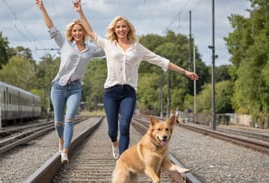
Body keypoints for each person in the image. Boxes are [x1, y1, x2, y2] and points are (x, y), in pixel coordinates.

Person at [73, 1, 199, 159]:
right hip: (111, 92)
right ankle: (114, 143)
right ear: (114, 29)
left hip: (128, 93)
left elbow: (161, 61)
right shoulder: (108, 45)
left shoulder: (137, 48)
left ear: (128, 29)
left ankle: (122, 159)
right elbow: (90, 32)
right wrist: (80, 11)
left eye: (123, 26)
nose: (121, 29)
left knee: (124, 126)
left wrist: (185, 71)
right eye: (118, 27)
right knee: (112, 130)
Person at [35, 0, 104, 163]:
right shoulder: (64, 43)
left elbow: (105, 45)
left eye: (80, 30)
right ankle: (61, 140)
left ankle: (65, 150)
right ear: (71, 33)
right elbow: (51, 28)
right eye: (75, 30)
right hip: (58, 87)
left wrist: (80, 13)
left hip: (75, 88)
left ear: (84, 32)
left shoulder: (91, 50)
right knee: (58, 121)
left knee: (69, 119)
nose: (78, 33)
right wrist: (42, 8)